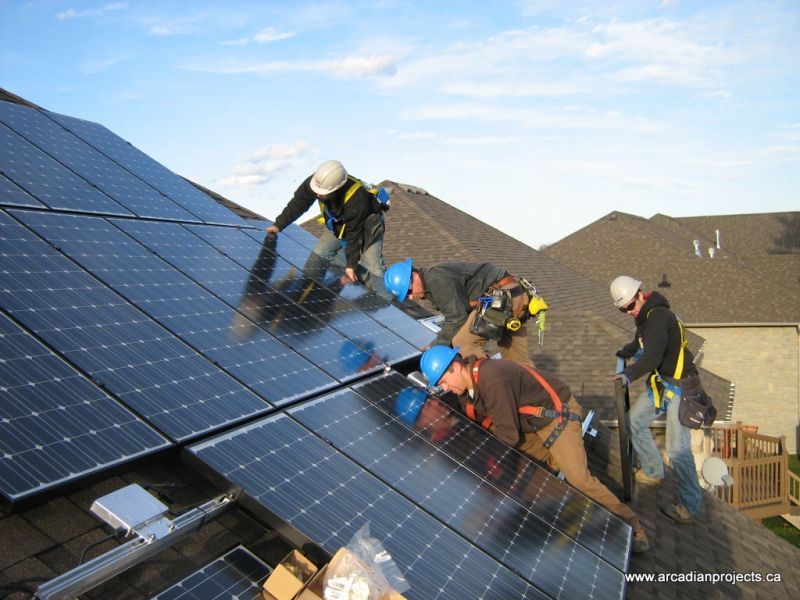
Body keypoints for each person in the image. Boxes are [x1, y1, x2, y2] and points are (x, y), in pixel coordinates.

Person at [418, 345, 650, 553]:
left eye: (444, 381)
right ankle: (583, 513)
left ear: (456, 365)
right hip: (530, 424)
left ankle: (633, 528)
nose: (445, 388)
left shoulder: (491, 379)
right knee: (539, 473)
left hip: (557, 416)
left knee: (578, 479)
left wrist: (488, 464)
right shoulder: (468, 390)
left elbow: (507, 435)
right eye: (440, 385)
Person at [610, 275, 704, 524]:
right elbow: (641, 343)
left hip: (681, 387)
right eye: (624, 309)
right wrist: (625, 353)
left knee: (677, 448)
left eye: (630, 306)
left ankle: (690, 507)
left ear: (640, 294)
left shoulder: (659, 317)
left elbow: (651, 357)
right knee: (633, 422)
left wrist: (628, 374)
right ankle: (653, 470)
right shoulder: (645, 317)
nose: (629, 312)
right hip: (662, 383)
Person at [266, 160, 392, 301]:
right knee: (320, 255)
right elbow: (299, 203)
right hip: (340, 223)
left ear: (336, 189)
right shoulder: (317, 183)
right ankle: (307, 296)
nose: (318, 195)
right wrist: (279, 224)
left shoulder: (357, 199)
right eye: (317, 192)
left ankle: (386, 300)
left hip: (368, 224)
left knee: (373, 266)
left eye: (323, 194)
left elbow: (353, 236)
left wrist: (351, 265)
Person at [384, 259, 534, 366]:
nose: (411, 297)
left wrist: (435, 346)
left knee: (463, 342)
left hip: (502, 297)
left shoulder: (436, 280)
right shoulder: (431, 280)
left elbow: (457, 317)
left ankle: (491, 387)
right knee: (518, 363)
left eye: (409, 291)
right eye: (406, 296)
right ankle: (533, 392)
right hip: (513, 295)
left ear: (414, 275)